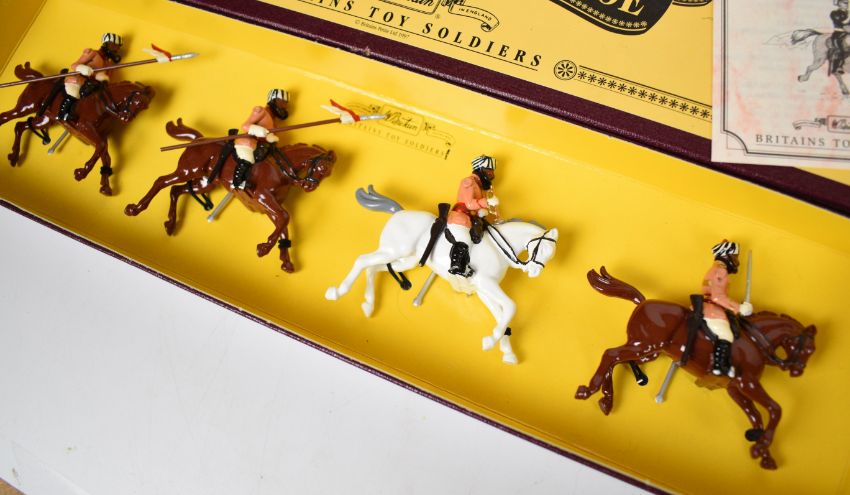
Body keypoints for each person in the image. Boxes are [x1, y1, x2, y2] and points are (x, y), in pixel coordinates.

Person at [700, 240, 753, 377]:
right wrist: (740, 307)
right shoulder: (721, 271)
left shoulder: (715, 270)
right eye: (735, 256)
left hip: (709, 306)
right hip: (711, 309)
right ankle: (719, 366)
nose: (736, 261)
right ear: (726, 255)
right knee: (726, 334)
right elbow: (717, 297)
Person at [445, 155, 498, 277]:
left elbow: (476, 206)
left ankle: (468, 262)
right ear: (480, 170)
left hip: (471, 219)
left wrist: (482, 211)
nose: (491, 175)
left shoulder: (479, 186)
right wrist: (487, 202)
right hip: (460, 217)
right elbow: (469, 204)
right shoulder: (468, 182)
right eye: (489, 171)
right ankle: (456, 265)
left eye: (492, 172)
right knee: (464, 239)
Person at [58, 33, 123, 122]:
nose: (115, 50)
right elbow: (74, 65)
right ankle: (63, 114)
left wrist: (103, 79)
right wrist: (82, 68)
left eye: (117, 47)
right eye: (113, 46)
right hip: (77, 79)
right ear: (106, 44)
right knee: (74, 92)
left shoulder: (108, 64)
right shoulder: (93, 53)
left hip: (91, 85)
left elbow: (105, 79)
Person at [232, 89, 289, 190]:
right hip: (248, 143)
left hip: (261, 145)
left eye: (285, 103)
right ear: (273, 101)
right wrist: (257, 129)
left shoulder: (274, 122)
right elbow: (245, 125)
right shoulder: (260, 111)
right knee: (248, 159)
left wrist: (270, 137)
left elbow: (267, 135)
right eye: (282, 102)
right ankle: (237, 182)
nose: (284, 106)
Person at [830, 0, 850, 75]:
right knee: (840, 49)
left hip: (848, 33)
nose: (847, 4)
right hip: (839, 33)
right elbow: (842, 23)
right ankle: (837, 67)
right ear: (839, 3)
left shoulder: (848, 13)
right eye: (844, 3)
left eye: (847, 3)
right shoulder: (835, 13)